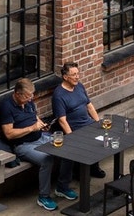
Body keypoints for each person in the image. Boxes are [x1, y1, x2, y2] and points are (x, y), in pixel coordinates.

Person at [0, 78, 60, 210]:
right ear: (17, 94)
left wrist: (41, 124)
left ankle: (63, 187)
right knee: (47, 159)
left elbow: (34, 117)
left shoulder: (28, 102)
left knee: (65, 147)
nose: (30, 99)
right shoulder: (7, 107)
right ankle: (43, 197)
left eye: (31, 95)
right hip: (23, 145)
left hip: (41, 137)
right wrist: (32, 128)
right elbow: (9, 134)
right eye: (27, 96)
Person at [51, 62, 104, 197]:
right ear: (65, 77)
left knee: (102, 139)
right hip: (75, 129)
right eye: (73, 75)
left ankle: (93, 167)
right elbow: (62, 120)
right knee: (70, 153)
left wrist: (98, 123)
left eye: (78, 74)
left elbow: (89, 106)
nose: (77, 77)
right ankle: (63, 186)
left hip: (88, 124)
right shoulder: (58, 95)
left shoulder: (79, 86)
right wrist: (72, 137)